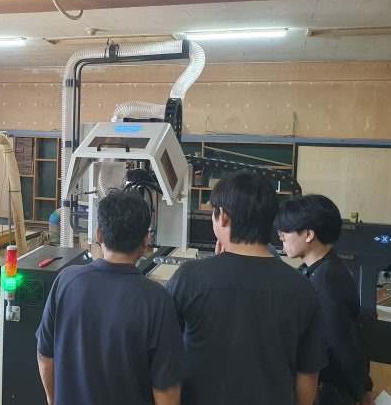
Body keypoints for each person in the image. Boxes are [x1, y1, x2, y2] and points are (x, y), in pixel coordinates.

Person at [166, 170, 327, 405]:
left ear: (223, 216)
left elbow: (165, 362)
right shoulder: (302, 288)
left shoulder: (188, 278)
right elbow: (307, 378)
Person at [36, 190, 189, 405]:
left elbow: (45, 355)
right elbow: (167, 390)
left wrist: (53, 401)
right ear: (146, 240)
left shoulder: (66, 282)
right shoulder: (156, 299)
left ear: (99, 234)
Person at [275, 194, 375, 405]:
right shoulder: (319, 270)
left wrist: (363, 391)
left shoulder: (326, 279)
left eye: (285, 232)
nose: (281, 237)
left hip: (328, 390)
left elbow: (344, 344)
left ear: (309, 234)